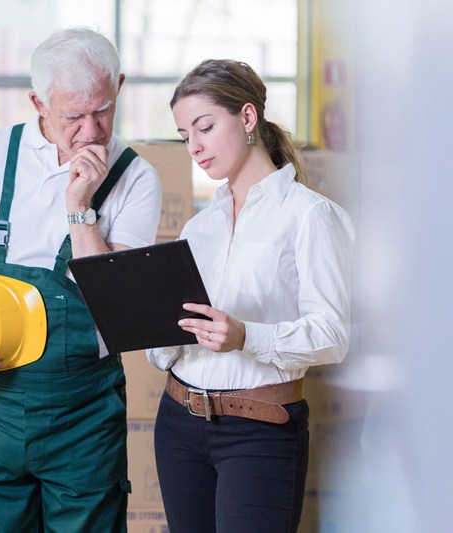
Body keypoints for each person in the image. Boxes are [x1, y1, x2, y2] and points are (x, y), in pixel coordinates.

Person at [0, 27, 162, 532]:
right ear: (38, 102)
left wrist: (80, 208)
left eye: (103, 110)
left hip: (82, 417)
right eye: (73, 116)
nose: (91, 131)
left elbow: (117, 306)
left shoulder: (136, 177)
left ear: (120, 87)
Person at [147, 59, 354, 533]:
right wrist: (154, 328)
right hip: (178, 421)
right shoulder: (200, 227)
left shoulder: (311, 217)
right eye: (185, 136)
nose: (194, 147)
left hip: (260, 429)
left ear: (246, 118)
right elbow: (178, 338)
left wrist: (245, 335)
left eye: (205, 127)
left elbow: (333, 335)